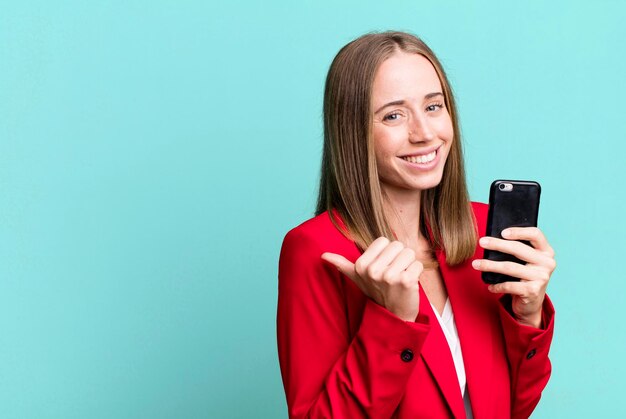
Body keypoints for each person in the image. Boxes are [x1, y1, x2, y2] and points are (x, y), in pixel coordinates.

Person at [277, 31, 556, 419]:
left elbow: (515, 406)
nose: (424, 134)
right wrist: (391, 321)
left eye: (433, 106)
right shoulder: (317, 249)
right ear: (353, 132)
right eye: (393, 114)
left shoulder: (483, 231)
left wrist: (528, 315)